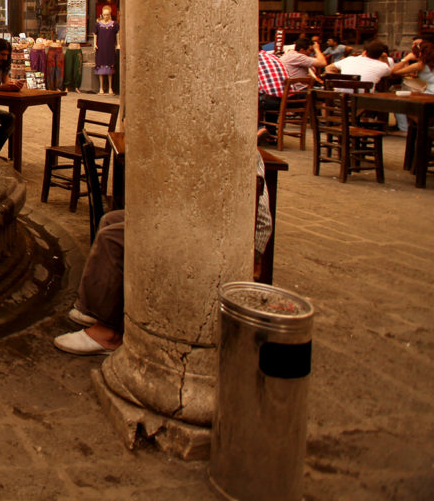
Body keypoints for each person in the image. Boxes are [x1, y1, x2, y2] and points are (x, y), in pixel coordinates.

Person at [54, 152, 272, 356]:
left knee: (114, 237)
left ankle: (107, 333)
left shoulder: (233, 150)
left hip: (215, 238)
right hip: (191, 221)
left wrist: (253, 256)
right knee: (111, 220)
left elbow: (259, 220)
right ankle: (98, 308)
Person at [325, 40, 391, 88]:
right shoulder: (382, 66)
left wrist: (337, 83)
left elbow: (328, 68)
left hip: (339, 97)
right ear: (381, 55)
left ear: (364, 52)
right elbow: (389, 73)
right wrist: (385, 57)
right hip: (362, 99)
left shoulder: (349, 59)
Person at [257, 47, 288, 138]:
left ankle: (259, 128)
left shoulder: (253, 59)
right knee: (268, 94)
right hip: (286, 100)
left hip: (271, 100)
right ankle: (271, 133)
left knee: (249, 99)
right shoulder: (274, 57)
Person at [93, 4, 118, 95]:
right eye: (104, 14)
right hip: (101, 47)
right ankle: (101, 88)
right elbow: (95, 34)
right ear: (102, 14)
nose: (106, 16)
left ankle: (110, 88)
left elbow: (117, 34)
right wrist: (95, 44)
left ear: (110, 14)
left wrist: (118, 44)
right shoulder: (98, 25)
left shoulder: (114, 24)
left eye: (107, 14)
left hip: (110, 48)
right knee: (100, 67)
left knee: (110, 68)